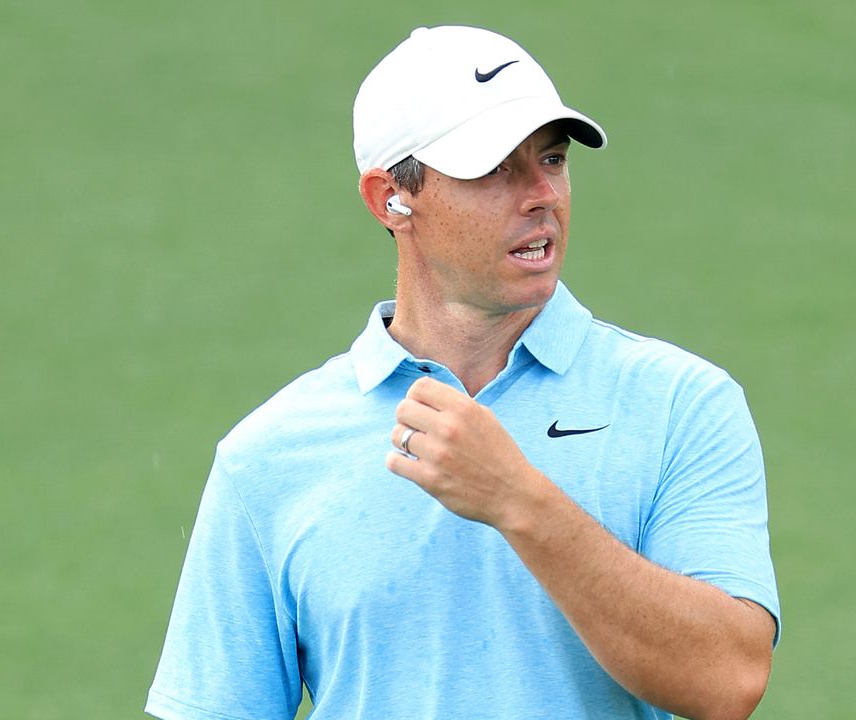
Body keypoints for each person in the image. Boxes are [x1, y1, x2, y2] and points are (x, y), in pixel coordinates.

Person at [146, 25, 780, 720]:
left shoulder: (681, 406)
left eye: (553, 159)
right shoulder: (267, 457)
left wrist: (520, 501)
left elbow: (727, 680)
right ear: (390, 197)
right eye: (496, 169)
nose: (542, 194)